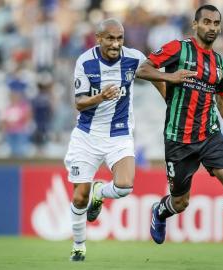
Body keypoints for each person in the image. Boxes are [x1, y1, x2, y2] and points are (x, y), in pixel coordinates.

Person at [136, 5, 223, 265]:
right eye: (206, 22)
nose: (212, 27)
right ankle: (160, 211)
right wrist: (170, 77)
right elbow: (142, 70)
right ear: (195, 25)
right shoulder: (177, 48)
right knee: (180, 201)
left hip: (210, 134)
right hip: (178, 138)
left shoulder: (221, 64)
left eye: (216, 23)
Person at [64, 18, 165, 262]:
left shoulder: (134, 58)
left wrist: (169, 101)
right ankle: (79, 245)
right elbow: (79, 102)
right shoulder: (85, 61)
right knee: (79, 197)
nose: (115, 43)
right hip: (87, 135)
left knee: (124, 187)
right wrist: (100, 97)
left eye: (119, 38)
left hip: (119, 134)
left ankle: (100, 192)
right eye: (110, 38)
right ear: (99, 39)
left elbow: (155, 76)